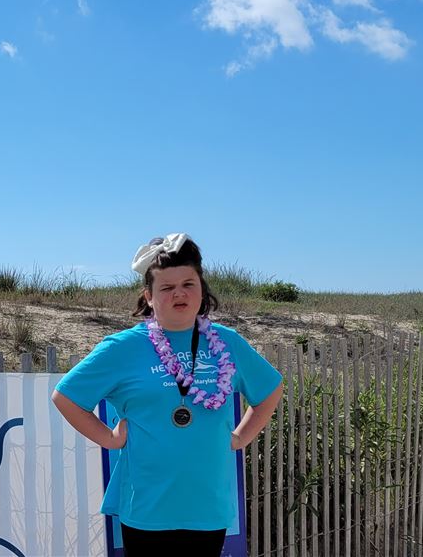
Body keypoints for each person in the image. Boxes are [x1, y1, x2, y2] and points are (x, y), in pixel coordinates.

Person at [51, 233, 284, 556]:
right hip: (148, 509)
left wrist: (241, 437)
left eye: (188, 284)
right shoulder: (123, 348)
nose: (179, 294)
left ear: (201, 287)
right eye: (166, 287)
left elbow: (270, 390)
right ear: (148, 296)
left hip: (208, 507)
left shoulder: (226, 343)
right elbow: (66, 397)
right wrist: (109, 438)